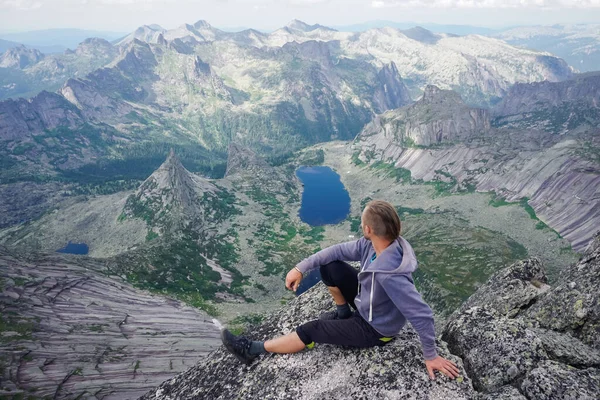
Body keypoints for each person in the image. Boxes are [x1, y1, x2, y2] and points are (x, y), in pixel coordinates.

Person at [221, 200, 459, 380]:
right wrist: (300, 268)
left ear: (368, 229)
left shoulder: (391, 275)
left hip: (374, 328)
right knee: (329, 266)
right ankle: (344, 313)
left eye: (362, 225)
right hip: (368, 303)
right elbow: (334, 252)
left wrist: (431, 355)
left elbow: (422, 314)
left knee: (311, 329)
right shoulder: (373, 245)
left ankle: (252, 350)